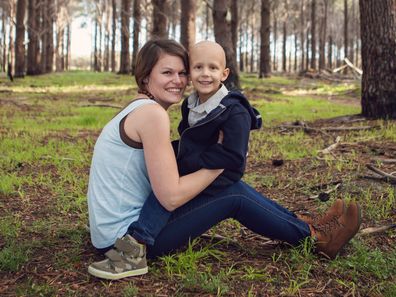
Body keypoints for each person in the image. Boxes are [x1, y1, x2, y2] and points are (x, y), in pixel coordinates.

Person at [87, 39, 362, 281]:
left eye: (182, 72)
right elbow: (169, 197)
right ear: (145, 77)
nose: (178, 81)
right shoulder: (153, 115)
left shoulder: (137, 108)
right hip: (129, 240)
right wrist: (223, 161)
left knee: (229, 189)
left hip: (112, 232)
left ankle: (309, 227)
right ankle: (315, 237)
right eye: (167, 72)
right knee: (234, 195)